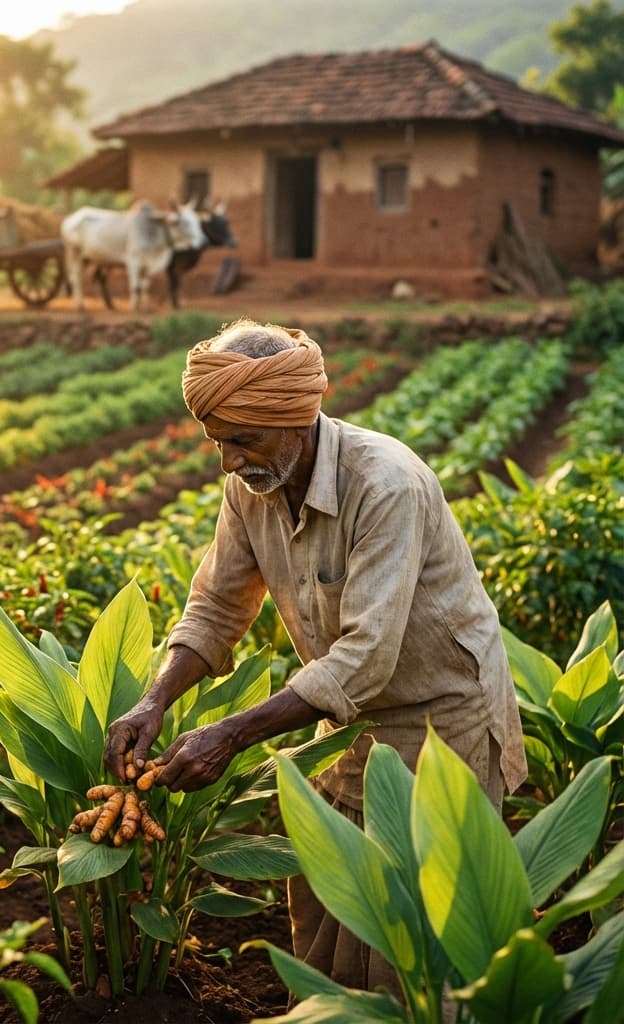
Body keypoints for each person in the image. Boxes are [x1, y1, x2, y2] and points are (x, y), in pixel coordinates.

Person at [102, 318, 527, 998]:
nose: (229, 462)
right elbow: (216, 608)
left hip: (440, 726)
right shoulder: (251, 486)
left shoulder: (383, 483)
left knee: (420, 939)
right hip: (342, 723)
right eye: (218, 443)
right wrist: (155, 699)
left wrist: (232, 733)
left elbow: (365, 656)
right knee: (329, 910)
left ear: (295, 418)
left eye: (243, 440)